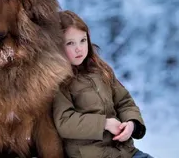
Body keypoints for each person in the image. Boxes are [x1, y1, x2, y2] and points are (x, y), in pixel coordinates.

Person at [53, 10, 153, 158]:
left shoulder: (101, 70)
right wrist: (104, 124)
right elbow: (64, 121)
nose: (79, 48)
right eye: (70, 43)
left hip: (126, 151)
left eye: (83, 40)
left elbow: (124, 101)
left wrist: (131, 124)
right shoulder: (58, 80)